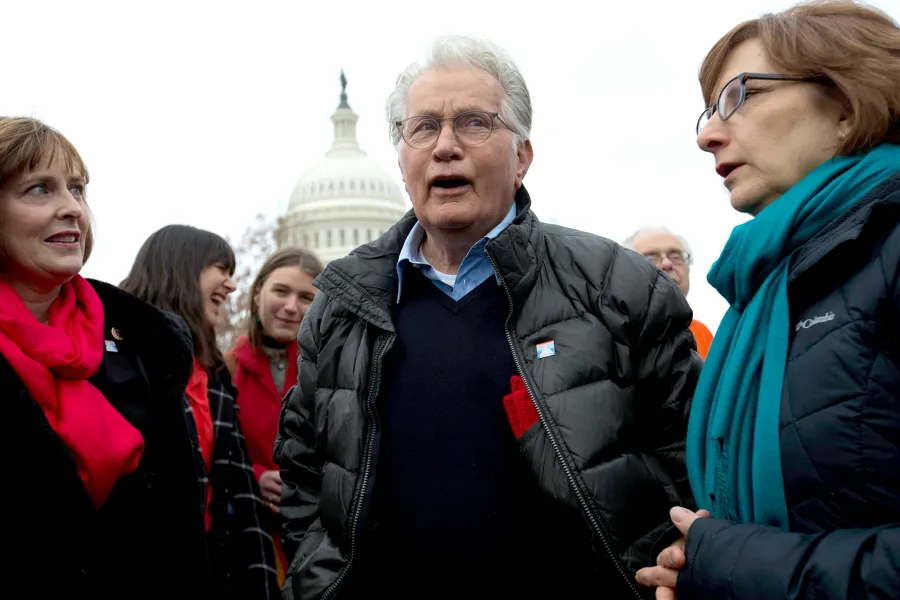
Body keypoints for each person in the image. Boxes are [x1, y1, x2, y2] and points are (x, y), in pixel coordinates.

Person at [275, 34, 701, 599]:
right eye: (422, 127)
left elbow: (691, 462)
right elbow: (307, 477)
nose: (445, 146)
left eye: (475, 123)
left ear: (522, 157)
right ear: (402, 161)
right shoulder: (339, 307)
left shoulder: (619, 288)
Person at [635, 2, 900, 598]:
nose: (706, 135)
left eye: (740, 95)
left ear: (848, 104)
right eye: (707, 110)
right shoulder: (762, 292)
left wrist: (726, 563)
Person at [0, 117, 211, 597]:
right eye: (39, 189)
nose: (71, 208)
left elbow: (182, 531)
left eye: (77, 189)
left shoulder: (145, 339)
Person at [121, 225, 279, 600]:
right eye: (221, 270)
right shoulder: (117, 359)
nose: (231, 285)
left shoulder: (212, 373)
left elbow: (239, 490)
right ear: (182, 268)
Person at [224, 246, 324, 586]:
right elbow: (209, 451)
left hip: (321, 540)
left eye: (306, 297)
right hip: (251, 540)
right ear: (257, 294)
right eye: (281, 291)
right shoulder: (225, 369)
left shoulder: (334, 371)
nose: (291, 307)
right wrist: (254, 476)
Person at [624, 226, 715, 358]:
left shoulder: (702, 333)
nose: (667, 263)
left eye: (676, 256)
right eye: (650, 259)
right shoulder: (615, 336)